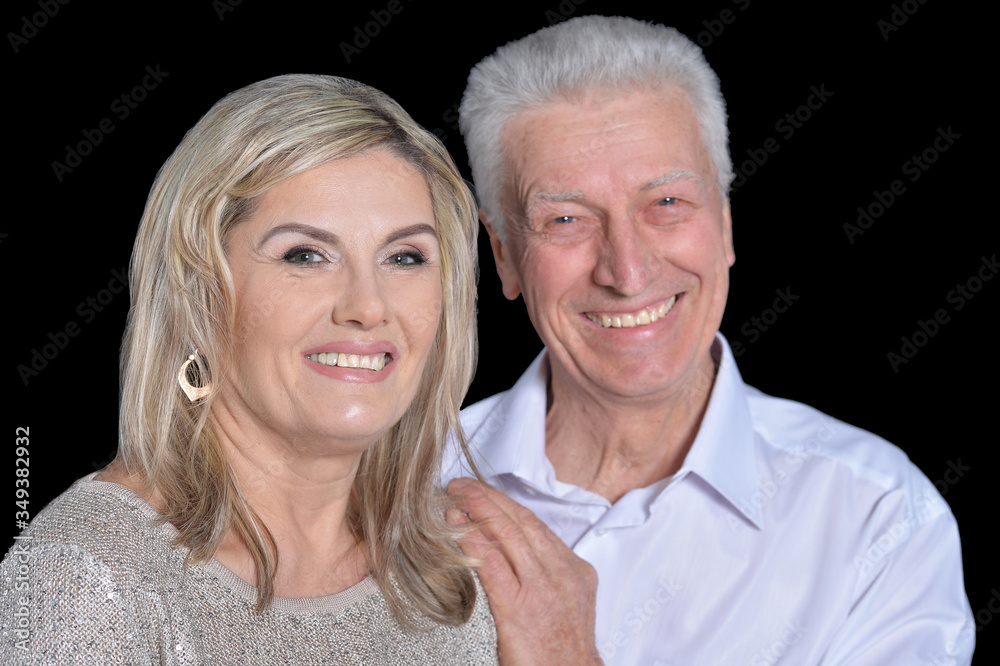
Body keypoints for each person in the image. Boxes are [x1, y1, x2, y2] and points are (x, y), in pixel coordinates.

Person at [443, 15, 975, 665]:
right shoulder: (391, 488)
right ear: (503, 253)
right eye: (566, 218)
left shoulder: (881, 518)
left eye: (666, 204)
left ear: (724, 225)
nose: (627, 272)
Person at [0, 74, 497, 664]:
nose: (368, 306)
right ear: (201, 290)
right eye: (305, 255)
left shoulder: (462, 566)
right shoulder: (87, 575)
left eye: (405, 257)